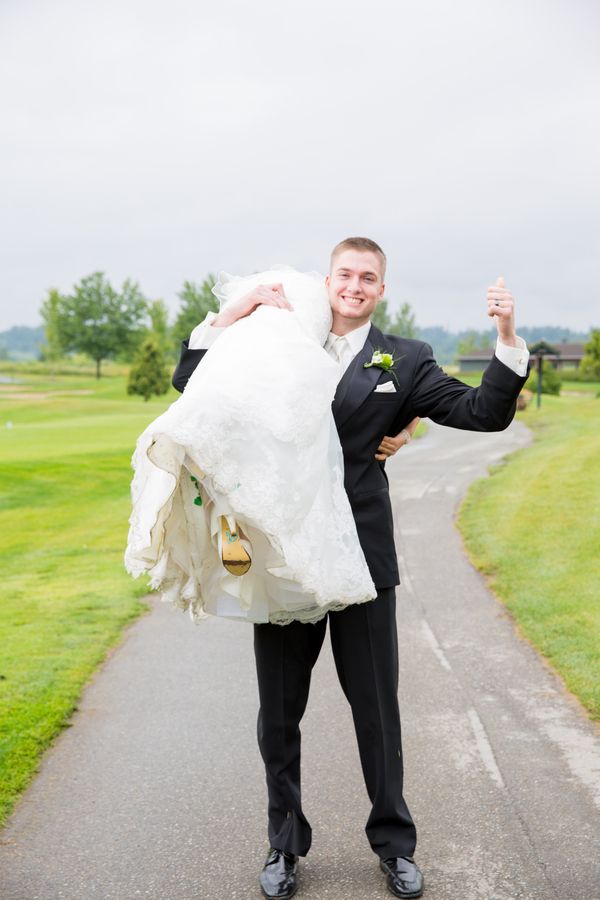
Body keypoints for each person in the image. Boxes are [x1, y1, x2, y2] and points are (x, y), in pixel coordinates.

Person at [171, 237, 530, 899]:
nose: (355, 286)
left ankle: (395, 846)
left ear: (380, 289)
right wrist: (239, 308)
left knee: (377, 710)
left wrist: (507, 335)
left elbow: (485, 412)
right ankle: (283, 845)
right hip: (284, 561)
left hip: (363, 558)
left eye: (369, 278)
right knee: (279, 713)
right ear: (328, 278)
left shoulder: (408, 360)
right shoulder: (275, 339)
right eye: (346, 274)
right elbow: (192, 381)